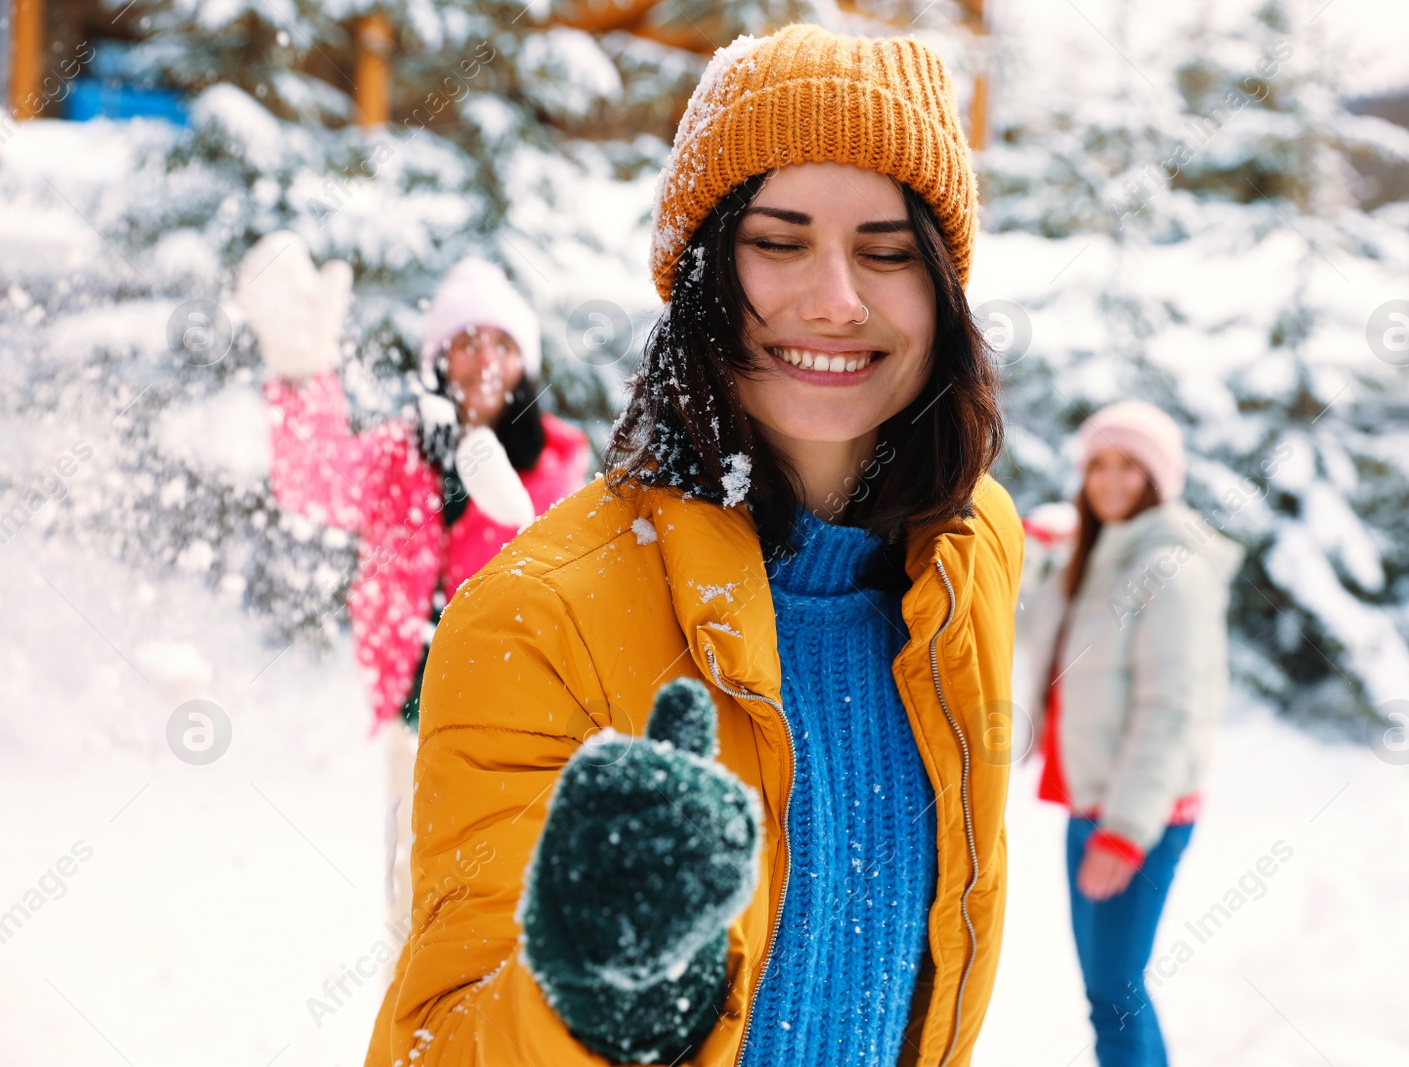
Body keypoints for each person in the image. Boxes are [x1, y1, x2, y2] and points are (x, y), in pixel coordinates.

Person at [363, 23, 1024, 1067]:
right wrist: (594, 995)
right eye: (778, 239)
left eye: (888, 250)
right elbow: (437, 1039)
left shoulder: (970, 548)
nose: (837, 299)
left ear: (940, 290)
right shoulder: (540, 614)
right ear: (704, 274)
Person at [238, 238, 592, 950]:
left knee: (503, 914)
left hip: (519, 727)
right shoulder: (401, 455)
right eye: (464, 341)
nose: (483, 358)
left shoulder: (559, 462)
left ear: (524, 362)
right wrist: (303, 375)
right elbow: (315, 481)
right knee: (413, 908)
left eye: (500, 342)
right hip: (418, 718)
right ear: (439, 360)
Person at [1013, 400, 1243, 1067]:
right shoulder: (1094, 561)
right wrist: (1030, 549)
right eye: (1098, 466)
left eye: (1130, 468)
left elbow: (1171, 709)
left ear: (1159, 479)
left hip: (1139, 814)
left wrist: (1124, 829)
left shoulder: (1172, 569)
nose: (1111, 482)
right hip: (1092, 803)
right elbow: (1028, 626)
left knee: (1114, 993)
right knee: (1109, 988)